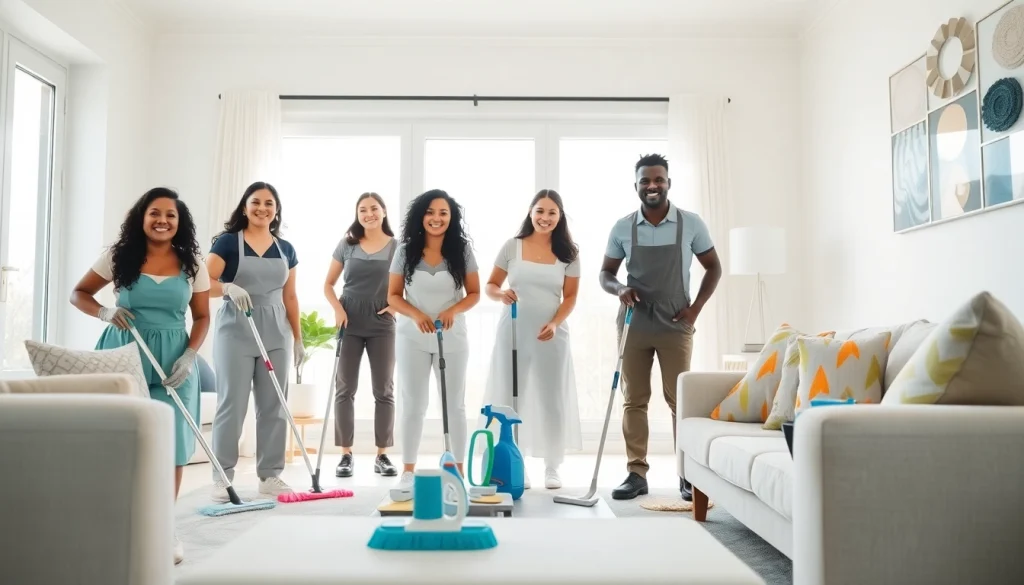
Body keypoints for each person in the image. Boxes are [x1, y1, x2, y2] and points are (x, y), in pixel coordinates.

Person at [70, 187, 210, 565]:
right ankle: (118, 522)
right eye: (155, 213)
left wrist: (191, 355)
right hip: (123, 353)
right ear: (142, 217)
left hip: (173, 361)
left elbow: (202, 316)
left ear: (180, 223)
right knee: (122, 438)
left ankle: (164, 528)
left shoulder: (192, 263)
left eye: (170, 215)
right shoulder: (119, 256)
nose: (162, 220)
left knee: (174, 442)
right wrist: (103, 312)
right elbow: (78, 293)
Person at [599, 153, 722, 501]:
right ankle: (636, 473)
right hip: (633, 320)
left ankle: (687, 474)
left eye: (658, 180)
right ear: (636, 185)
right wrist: (620, 289)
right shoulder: (623, 227)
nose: (652, 186)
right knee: (634, 400)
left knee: (679, 400)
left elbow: (713, 267)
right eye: (645, 181)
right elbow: (605, 274)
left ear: (668, 182)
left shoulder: (691, 224)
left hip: (675, 321)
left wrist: (695, 309)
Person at [206, 181, 303, 500]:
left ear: (276, 210)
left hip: (276, 329)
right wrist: (228, 288)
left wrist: (298, 338)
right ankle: (222, 476)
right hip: (236, 327)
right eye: (256, 202)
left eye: (269, 204)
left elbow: (290, 296)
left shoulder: (286, 248)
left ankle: (270, 475)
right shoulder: (227, 243)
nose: (263, 208)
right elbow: (204, 282)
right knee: (231, 403)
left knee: (274, 403)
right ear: (245, 206)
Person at [481, 189, 583, 490]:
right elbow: (490, 285)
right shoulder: (512, 247)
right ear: (530, 212)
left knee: (551, 399)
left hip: (551, 335)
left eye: (552, 213)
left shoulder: (569, 253)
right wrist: (501, 294)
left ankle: (553, 466)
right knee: (513, 397)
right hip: (512, 331)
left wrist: (554, 322)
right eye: (540, 211)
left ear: (559, 216)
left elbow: (572, 296)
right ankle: (516, 462)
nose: (545, 218)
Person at [386, 189, 480, 493]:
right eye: (430, 212)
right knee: (413, 404)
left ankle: (458, 471)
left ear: (451, 218)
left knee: (454, 405)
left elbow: (475, 293)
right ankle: (409, 470)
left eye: (443, 213)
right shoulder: (405, 251)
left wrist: (453, 309)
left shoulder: (462, 251)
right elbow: (393, 296)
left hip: (452, 339)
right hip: (412, 338)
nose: (436, 218)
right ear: (420, 216)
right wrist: (416, 315)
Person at [324, 192, 398, 478]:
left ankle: (382, 455)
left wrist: (394, 305)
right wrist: (337, 311)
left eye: (374, 209)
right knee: (345, 389)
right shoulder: (347, 244)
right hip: (349, 321)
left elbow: (410, 282)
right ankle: (345, 454)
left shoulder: (396, 247)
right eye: (363, 209)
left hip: (382, 323)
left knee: (384, 390)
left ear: (383, 211)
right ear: (358, 214)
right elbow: (328, 284)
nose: (369, 214)